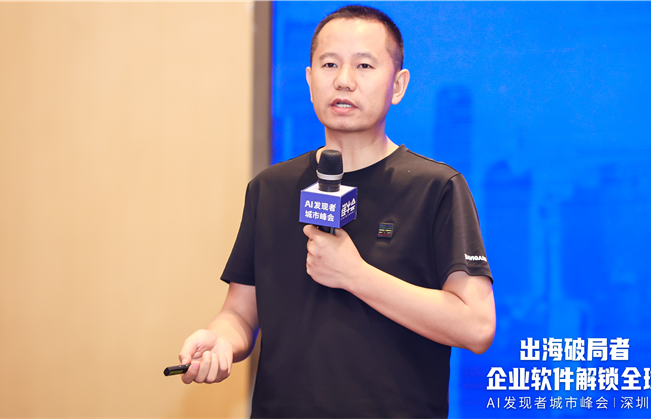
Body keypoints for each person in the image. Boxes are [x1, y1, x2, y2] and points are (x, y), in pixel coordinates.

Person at [178, 5, 495, 417]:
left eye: (364, 65)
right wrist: (221, 340)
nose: (344, 80)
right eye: (329, 64)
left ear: (398, 85)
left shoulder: (436, 188)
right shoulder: (270, 189)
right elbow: (239, 313)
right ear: (310, 81)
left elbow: (476, 326)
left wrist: (355, 275)